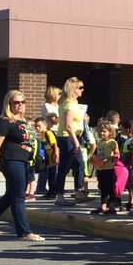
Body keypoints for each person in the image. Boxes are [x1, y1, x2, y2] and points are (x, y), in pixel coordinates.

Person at [0, 90, 44, 242]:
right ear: (9, 104)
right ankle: (24, 232)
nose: (20, 105)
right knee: (19, 196)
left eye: (22, 102)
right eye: (16, 102)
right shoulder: (4, 121)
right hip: (12, 161)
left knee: (10, 196)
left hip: (25, 162)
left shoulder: (24, 122)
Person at [52, 77, 87, 205]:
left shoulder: (72, 103)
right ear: (73, 89)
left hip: (74, 136)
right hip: (68, 138)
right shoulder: (69, 104)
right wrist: (76, 143)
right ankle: (59, 196)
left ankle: (78, 192)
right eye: (80, 87)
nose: (82, 90)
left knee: (79, 164)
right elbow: (68, 126)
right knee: (65, 167)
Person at [90, 120, 121, 216]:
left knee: (110, 188)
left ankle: (111, 207)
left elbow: (117, 155)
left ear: (110, 132)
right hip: (101, 168)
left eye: (104, 131)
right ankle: (103, 206)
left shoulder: (112, 142)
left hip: (109, 168)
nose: (102, 133)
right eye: (100, 131)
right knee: (103, 188)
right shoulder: (99, 142)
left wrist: (108, 158)